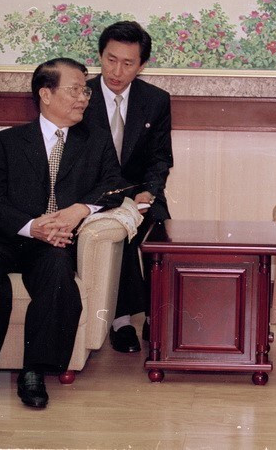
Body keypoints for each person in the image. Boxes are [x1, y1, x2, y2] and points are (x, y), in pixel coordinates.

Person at [0, 57, 124, 408]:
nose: (84, 97)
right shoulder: (8, 142)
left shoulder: (96, 141)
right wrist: (33, 227)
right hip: (6, 236)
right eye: (75, 89)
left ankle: (34, 372)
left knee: (58, 271)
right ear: (45, 93)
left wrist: (78, 210)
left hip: (56, 242)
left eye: (86, 90)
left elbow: (115, 186)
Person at [85, 21, 174, 353]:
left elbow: (160, 158)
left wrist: (148, 192)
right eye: (110, 60)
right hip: (97, 193)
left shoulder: (156, 100)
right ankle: (120, 321)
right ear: (101, 56)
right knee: (116, 231)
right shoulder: (82, 97)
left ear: (142, 65)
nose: (116, 71)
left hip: (142, 191)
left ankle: (156, 315)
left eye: (127, 63)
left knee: (160, 231)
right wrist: (120, 198)